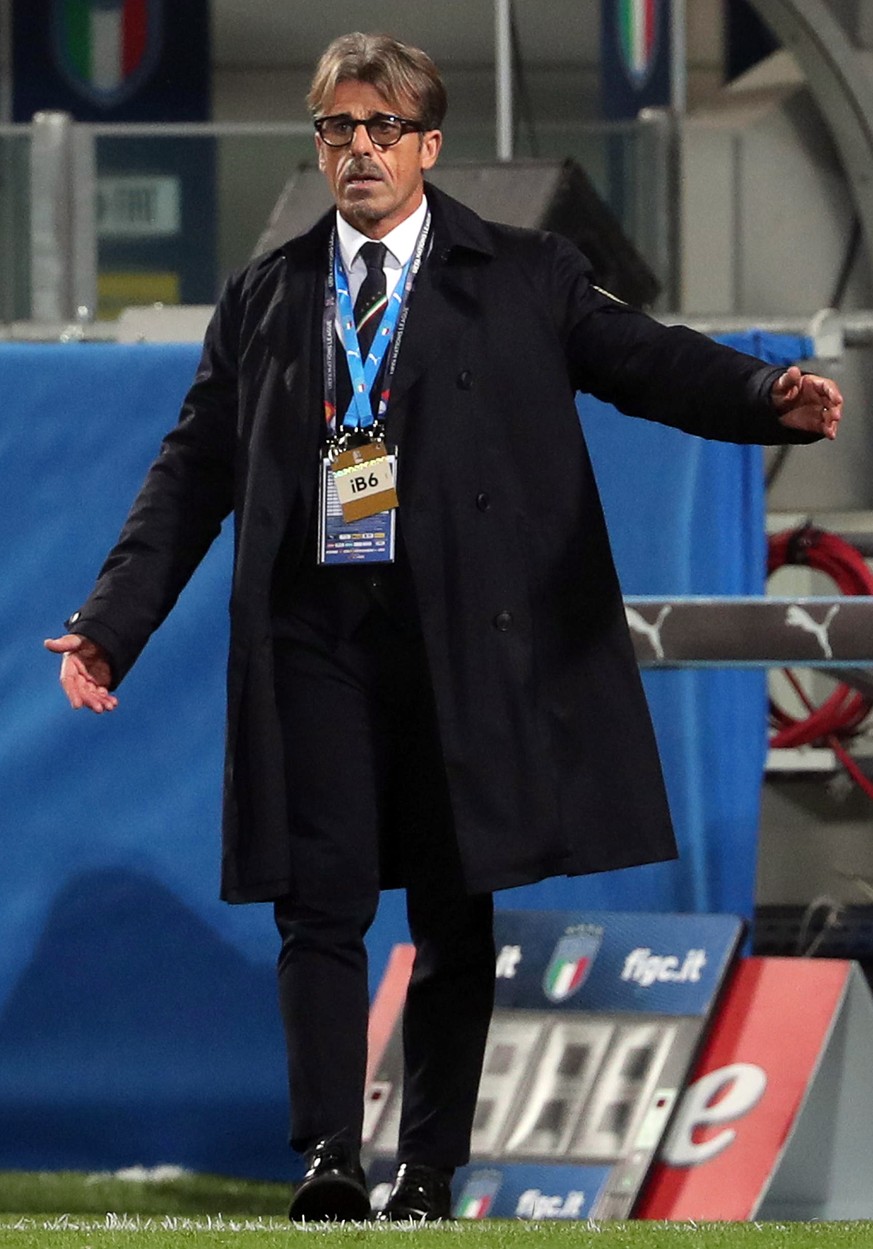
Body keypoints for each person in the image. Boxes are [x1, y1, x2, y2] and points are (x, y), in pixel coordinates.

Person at [45, 31, 842, 1223]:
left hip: (468, 639)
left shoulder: (525, 271)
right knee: (318, 905)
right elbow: (191, 470)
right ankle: (328, 1160)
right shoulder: (266, 296)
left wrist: (760, 394)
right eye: (334, 130)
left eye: (379, 129)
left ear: (427, 143)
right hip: (316, 635)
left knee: (453, 907)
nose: (356, 151)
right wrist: (111, 622)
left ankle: (428, 1170)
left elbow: (642, 359)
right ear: (315, 148)